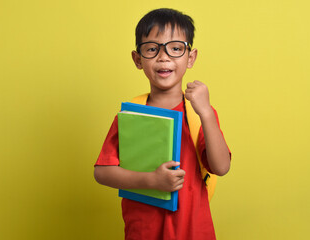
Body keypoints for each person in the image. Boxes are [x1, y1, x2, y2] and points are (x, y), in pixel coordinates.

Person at [94, 8, 231, 240]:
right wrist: (151, 181)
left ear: (191, 57)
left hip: (194, 231)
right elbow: (102, 172)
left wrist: (206, 112)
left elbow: (221, 167)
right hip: (143, 231)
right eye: (152, 49)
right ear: (138, 59)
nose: (164, 57)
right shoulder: (130, 115)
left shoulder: (200, 114)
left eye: (176, 48)